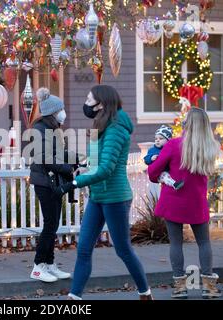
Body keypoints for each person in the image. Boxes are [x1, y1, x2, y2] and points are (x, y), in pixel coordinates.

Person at [57, 85, 152, 300]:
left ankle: (145, 292)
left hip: (115, 198)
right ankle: (74, 297)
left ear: (100, 104)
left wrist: (74, 183)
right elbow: (96, 161)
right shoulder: (99, 124)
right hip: (97, 196)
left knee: (123, 250)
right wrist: (82, 167)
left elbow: (107, 168)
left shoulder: (116, 128)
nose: (86, 103)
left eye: (89, 99)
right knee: (83, 248)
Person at [148, 108, 222, 299]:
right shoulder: (210, 147)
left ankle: (180, 286)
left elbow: (153, 171)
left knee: (176, 243)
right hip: (197, 202)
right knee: (204, 242)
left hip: (174, 201)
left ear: (187, 124)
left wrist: (162, 175)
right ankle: (209, 287)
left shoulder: (174, 145)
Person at [29, 87, 74, 283]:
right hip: (45, 182)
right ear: (52, 113)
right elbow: (45, 158)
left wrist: (75, 159)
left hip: (51, 182)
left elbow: (56, 154)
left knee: (53, 224)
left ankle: (49, 264)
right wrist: (67, 168)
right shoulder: (40, 130)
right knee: (50, 225)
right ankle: (38, 266)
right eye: (60, 110)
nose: (63, 113)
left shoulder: (51, 129)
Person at [144, 125, 184, 190]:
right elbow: (146, 159)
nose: (157, 140)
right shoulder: (152, 150)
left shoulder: (169, 149)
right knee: (165, 175)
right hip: (160, 174)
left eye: (161, 138)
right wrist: (151, 158)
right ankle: (174, 184)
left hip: (168, 171)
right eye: (156, 139)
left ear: (168, 140)